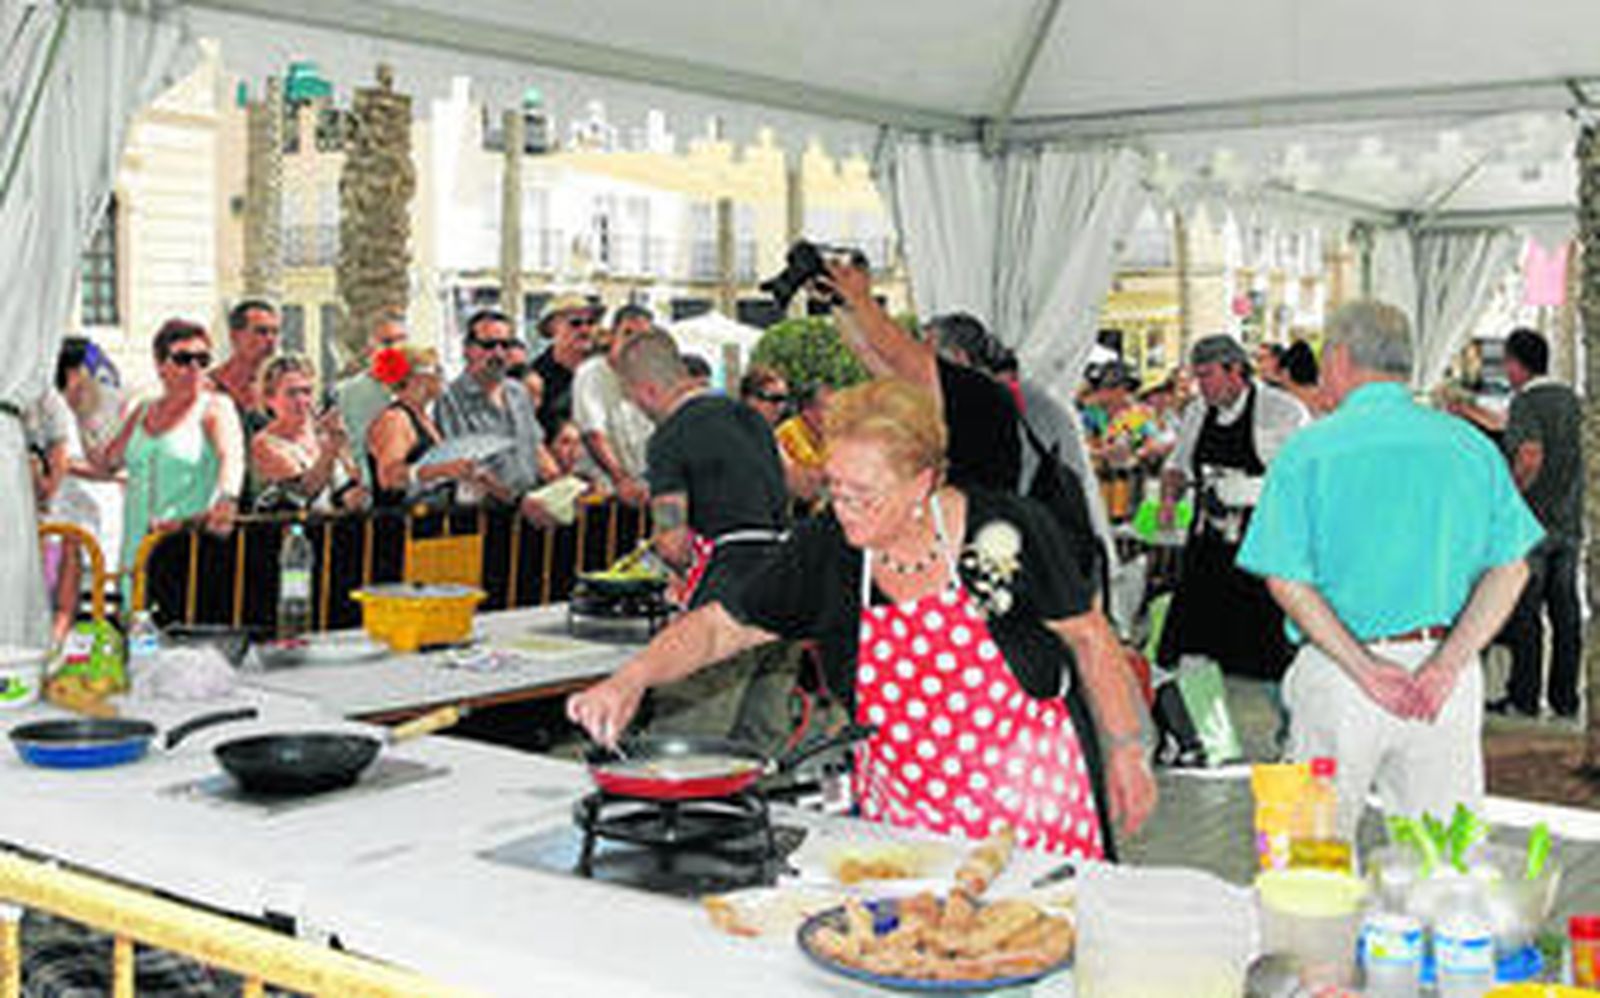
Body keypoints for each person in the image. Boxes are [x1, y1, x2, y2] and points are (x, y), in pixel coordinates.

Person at [569, 378, 1157, 856]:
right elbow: (724, 624)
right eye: (833, 488)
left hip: (1039, 807)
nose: (844, 510)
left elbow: (1087, 637)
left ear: (924, 481)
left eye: (864, 495)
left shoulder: (1006, 529)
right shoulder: (831, 547)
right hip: (906, 822)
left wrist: (1126, 751)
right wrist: (634, 676)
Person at [1238, 301, 1542, 836]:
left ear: (1339, 358)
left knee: (1313, 861)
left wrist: (1363, 666)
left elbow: (1285, 577)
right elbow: (1510, 569)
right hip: (1443, 682)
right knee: (1444, 862)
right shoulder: (1470, 447)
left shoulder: (1309, 450)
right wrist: (1448, 663)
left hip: (1339, 675)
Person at [614, 329, 794, 748]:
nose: (636, 407)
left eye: (633, 397)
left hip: (726, 593)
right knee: (762, 737)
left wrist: (678, 575)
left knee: (690, 734)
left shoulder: (668, 438)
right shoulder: (752, 417)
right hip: (786, 580)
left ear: (648, 389)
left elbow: (671, 541)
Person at [1157, 334, 1309, 759]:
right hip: (1208, 545)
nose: (1201, 385)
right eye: (1197, 376)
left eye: (1207, 375)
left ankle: (1295, 739)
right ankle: (1210, 741)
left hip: (1260, 550)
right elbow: (1178, 466)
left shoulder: (1284, 412)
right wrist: (1169, 498)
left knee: (1269, 653)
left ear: (1235, 371)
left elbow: (1299, 480)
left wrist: (1250, 489)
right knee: (1193, 645)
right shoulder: (1195, 413)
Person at [820, 264, 1022, 493]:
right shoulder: (945, 392)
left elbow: (895, 351)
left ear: (959, 355)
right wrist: (838, 302)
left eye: (927, 345)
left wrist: (858, 295)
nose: (921, 350)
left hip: (974, 516)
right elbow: (868, 352)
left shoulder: (978, 393)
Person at [97, 320, 245, 588]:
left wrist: (227, 498)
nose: (194, 368)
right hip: (137, 550)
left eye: (203, 359)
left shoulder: (215, 408)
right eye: (183, 359)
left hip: (187, 549)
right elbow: (106, 463)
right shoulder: (142, 409)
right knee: (132, 622)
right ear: (160, 364)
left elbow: (231, 458)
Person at [1491, 328, 1584, 719]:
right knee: (1566, 616)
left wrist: (1508, 498)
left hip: (1531, 527)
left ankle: (1523, 699)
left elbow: (1528, 456)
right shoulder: (1575, 401)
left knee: (1526, 616)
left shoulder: (1526, 403)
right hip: (1569, 522)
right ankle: (1565, 699)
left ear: (1515, 363)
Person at [435, 309, 559, 523]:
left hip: (529, 514)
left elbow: (537, 448)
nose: (499, 353)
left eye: (505, 345)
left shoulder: (518, 393)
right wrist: (516, 500)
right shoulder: (450, 401)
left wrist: (562, 487)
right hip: (482, 519)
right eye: (489, 345)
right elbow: (468, 468)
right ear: (468, 350)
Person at [251, 355, 367, 512]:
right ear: (269, 398)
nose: (301, 401)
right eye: (292, 393)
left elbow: (351, 486)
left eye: (306, 391)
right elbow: (302, 492)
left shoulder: (324, 434)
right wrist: (331, 449)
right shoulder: (265, 444)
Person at [366, 345, 478, 508]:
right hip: (401, 525)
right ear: (418, 378)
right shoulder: (396, 419)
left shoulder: (424, 418)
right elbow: (389, 478)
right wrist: (442, 470)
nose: (442, 378)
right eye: (437, 371)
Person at [570, 311, 655, 506]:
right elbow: (593, 434)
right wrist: (621, 479)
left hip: (643, 492)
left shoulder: (649, 379)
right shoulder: (590, 373)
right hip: (605, 493)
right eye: (628, 333)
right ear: (612, 336)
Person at [335, 310, 408, 487]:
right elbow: (339, 447)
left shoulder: (418, 387)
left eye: (402, 340)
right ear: (370, 348)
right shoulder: (346, 393)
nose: (395, 349)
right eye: (387, 342)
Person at [208, 299, 279, 436]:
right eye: (261, 331)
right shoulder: (208, 388)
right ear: (235, 336)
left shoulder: (278, 390)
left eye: (275, 332)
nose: (271, 339)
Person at [531, 294, 598, 438]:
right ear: (552, 328)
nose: (585, 330)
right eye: (575, 323)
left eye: (591, 322)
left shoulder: (602, 371)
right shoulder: (536, 377)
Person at [774, 383, 830, 504]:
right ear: (807, 411)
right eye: (827, 408)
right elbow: (811, 474)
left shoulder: (824, 435)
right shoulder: (789, 432)